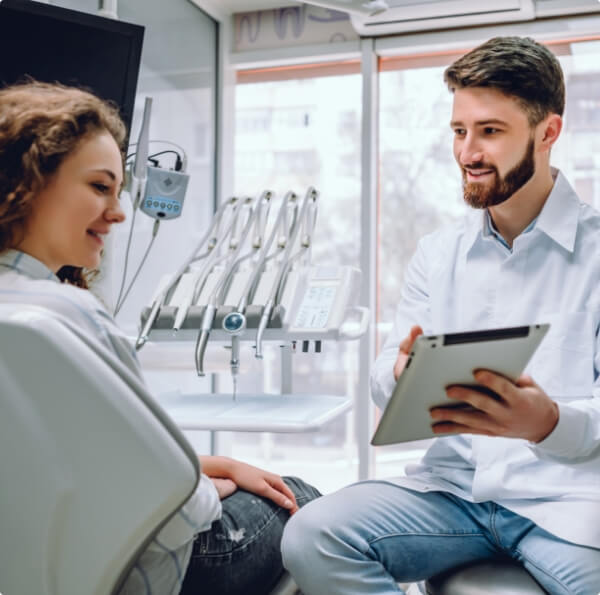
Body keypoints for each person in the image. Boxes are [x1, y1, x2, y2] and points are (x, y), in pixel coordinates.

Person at [281, 36, 600, 594]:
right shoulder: (438, 252)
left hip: (569, 501)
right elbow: (385, 377)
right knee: (312, 536)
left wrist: (545, 423)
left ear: (547, 132)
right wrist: (403, 375)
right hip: (456, 493)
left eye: (491, 132)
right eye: (460, 131)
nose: (468, 153)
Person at [0, 80, 320, 595]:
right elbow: (176, 514)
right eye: (100, 187)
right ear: (30, 181)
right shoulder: (71, 316)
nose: (120, 211)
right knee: (303, 499)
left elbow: (59, 464)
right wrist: (200, 489)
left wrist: (205, 468)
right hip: (138, 571)